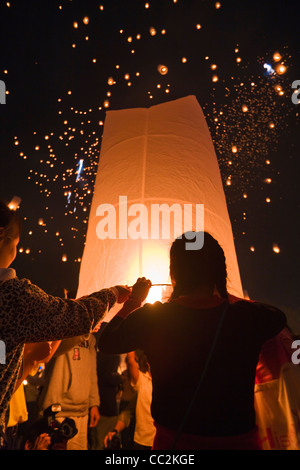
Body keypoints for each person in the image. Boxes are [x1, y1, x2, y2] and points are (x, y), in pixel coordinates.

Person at [98, 231, 287, 450]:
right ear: (218, 272)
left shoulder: (154, 318)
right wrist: (226, 297)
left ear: (174, 272)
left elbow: (107, 341)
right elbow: (277, 317)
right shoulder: (245, 317)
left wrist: (134, 300)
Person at [0, 200, 130, 447]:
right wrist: (113, 293)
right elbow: (77, 318)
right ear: (2, 235)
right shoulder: (12, 295)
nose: (15, 252)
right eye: (15, 244)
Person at [38, 332, 101, 450]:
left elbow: (92, 372)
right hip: (57, 411)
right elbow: (53, 352)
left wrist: (94, 403)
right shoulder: (61, 329)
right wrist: (83, 330)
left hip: (82, 412)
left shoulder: (90, 338)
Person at [89, 323, 123, 450]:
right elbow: (105, 377)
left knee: (100, 442)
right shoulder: (108, 353)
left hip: (104, 404)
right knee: (102, 443)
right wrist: (120, 378)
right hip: (105, 406)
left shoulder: (101, 351)